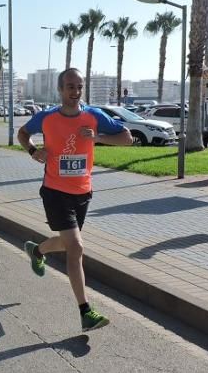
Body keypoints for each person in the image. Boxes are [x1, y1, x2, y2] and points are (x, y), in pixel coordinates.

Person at [17, 68, 133, 332]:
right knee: (77, 247)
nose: (75, 92)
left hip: (82, 191)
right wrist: (33, 151)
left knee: (69, 243)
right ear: (60, 89)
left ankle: (36, 251)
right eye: (70, 87)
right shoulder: (46, 118)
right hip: (55, 191)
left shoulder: (93, 116)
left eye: (79, 87)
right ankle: (86, 312)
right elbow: (23, 134)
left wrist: (99, 138)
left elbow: (127, 138)